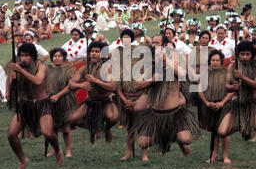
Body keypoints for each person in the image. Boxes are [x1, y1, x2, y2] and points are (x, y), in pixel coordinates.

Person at [129, 39, 200, 157]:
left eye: (162, 56)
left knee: (186, 139)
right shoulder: (150, 70)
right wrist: (151, 80)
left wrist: (166, 59)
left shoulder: (174, 69)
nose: (160, 58)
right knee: (143, 143)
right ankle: (164, 135)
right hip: (155, 114)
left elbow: (183, 74)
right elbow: (137, 86)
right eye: (157, 56)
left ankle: (177, 138)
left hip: (175, 113)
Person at [6, 43, 64, 169]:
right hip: (25, 104)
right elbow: (14, 88)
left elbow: (38, 81)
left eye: (26, 55)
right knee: (11, 134)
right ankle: (23, 160)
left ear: (32, 56)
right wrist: (13, 80)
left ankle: (58, 150)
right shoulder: (18, 67)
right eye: (21, 55)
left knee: (48, 133)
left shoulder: (41, 67)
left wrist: (20, 71)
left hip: (42, 103)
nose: (23, 58)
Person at [218, 40, 256, 146]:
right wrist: (233, 87)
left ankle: (249, 123)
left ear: (252, 54)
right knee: (222, 132)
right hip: (236, 103)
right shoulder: (232, 67)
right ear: (238, 54)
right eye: (242, 54)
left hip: (252, 103)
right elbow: (226, 86)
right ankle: (239, 124)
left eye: (248, 54)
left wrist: (242, 77)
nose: (245, 57)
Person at [68, 41, 119, 144]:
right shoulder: (85, 68)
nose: (94, 53)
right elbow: (71, 84)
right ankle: (93, 127)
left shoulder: (108, 67)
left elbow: (112, 87)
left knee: (112, 118)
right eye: (92, 51)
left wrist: (95, 81)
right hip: (91, 100)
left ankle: (107, 128)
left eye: (97, 51)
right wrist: (80, 85)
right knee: (72, 119)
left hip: (106, 100)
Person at [115, 30, 149, 161]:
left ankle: (144, 154)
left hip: (139, 96)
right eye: (124, 37)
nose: (126, 39)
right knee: (129, 127)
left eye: (128, 37)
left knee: (142, 125)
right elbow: (117, 86)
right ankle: (129, 152)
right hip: (125, 97)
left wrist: (139, 100)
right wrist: (124, 100)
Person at [198, 50, 231, 164]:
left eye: (217, 60)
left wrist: (222, 102)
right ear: (209, 61)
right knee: (214, 131)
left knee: (223, 131)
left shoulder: (226, 73)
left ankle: (225, 155)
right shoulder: (204, 73)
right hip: (210, 104)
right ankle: (214, 154)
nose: (215, 62)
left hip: (223, 104)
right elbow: (200, 90)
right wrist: (206, 102)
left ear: (221, 61)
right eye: (213, 60)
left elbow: (232, 91)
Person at [45, 48, 78, 158]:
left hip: (65, 100)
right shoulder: (48, 69)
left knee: (66, 128)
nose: (57, 58)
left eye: (59, 56)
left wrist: (58, 95)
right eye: (55, 56)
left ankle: (68, 151)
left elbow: (71, 85)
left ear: (63, 57)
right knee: (52, 127)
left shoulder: (69, 69)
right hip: (51, 100)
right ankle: (54, 149)